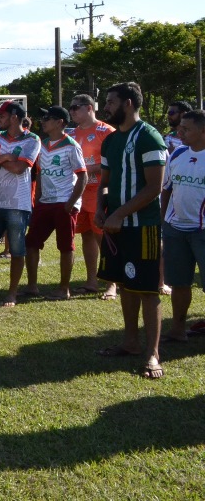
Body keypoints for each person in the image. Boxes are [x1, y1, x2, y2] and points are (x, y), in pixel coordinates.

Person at [94, 82, 168, 380]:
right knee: (126, 283)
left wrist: (121, 214)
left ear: (126, 103)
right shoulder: (111, 141)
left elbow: (155, 186)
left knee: (148, 290)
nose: (106, 108)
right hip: (115, 227)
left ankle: (153, 353)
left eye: (110, 102)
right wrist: (101, 208)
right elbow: (106, 180)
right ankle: (130, 342)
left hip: (143, 227)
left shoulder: (149, 137)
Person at [0, 101, 41, 307]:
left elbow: (20, 168)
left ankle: (12, 293)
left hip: (18, 204)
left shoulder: (33, 139)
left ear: (14, 117)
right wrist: (5, 156)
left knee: (16, 251)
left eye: (2, 115)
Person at [25, 105, 88, 300]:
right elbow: (42, 174)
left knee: (65, 246)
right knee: (32, 243)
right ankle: (32, 286)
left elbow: (83, 176)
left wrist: (71, 203)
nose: (43, 121)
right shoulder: (41, 145)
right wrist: (38, 199)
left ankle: (64, 288)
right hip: (45, 203)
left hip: (64, 203)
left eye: (48, 118)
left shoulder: (71, 145)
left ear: (60, 122)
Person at [161, 109, 205, 341]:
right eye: (180, 128)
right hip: (175, 229)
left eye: (186, 129)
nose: (180, 132)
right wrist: (163, 220)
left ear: (203, 131)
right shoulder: (177, 154)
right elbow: (166, 189)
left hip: (202, 231)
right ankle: (178, 330)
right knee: (179, 283)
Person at [68, 94, 115, 298]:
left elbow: (113, 163)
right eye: (70, 108)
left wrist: (85, 170)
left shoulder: (106, 131)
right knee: (87, 235)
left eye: (75, 108)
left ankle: (112, 284)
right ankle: (91, 281)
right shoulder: (72, 133)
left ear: (89, 108)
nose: (71, 112)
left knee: (104, 238)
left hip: (100, 193)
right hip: (80, 194)